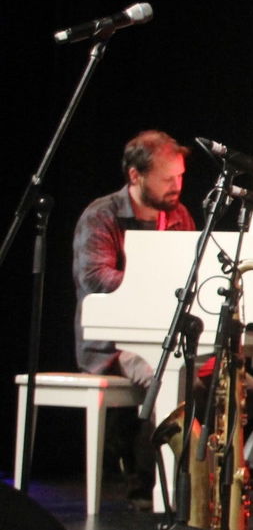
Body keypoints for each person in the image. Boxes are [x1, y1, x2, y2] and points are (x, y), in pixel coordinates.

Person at [71, 131, 196, 496]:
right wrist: (151, 285)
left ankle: (189, 477)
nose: (177, 186)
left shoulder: (179, 215)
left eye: (180, 177)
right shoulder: (102, 215)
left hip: (163, 335)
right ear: (135, 176)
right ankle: (154, 484)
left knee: (238, 386)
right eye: (167, 178)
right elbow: (94, 277)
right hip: (113, 343)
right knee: (163, 375)